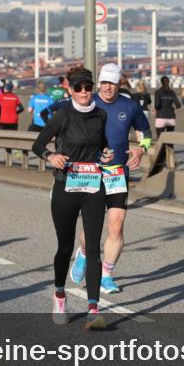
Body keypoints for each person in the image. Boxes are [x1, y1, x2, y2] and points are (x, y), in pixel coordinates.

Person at [31, 66, 114, 328]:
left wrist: (105, 155)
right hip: (65, 186)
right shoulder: (63, 115)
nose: (84, 92)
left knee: (92, 248)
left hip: (92, 188)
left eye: (88, 87)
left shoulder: (100, 115)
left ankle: (92, 309)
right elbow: (38, 144)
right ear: (70, 89)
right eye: (78, 88)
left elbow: (102, 146)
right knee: (65, 248)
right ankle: (59, 294)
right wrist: (50, 156)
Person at [57, 64, 152, 294]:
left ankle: (106, 275)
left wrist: (141, 149)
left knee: (116, 226)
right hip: (91, 172)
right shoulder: (87, 102)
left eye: (112, 82)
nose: (108, 87)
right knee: (92, 229)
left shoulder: (130, 106)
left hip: (118, 173)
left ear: (120, 83)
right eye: (104, 82)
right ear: (99, 83)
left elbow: (146, 133)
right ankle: (83, 253)